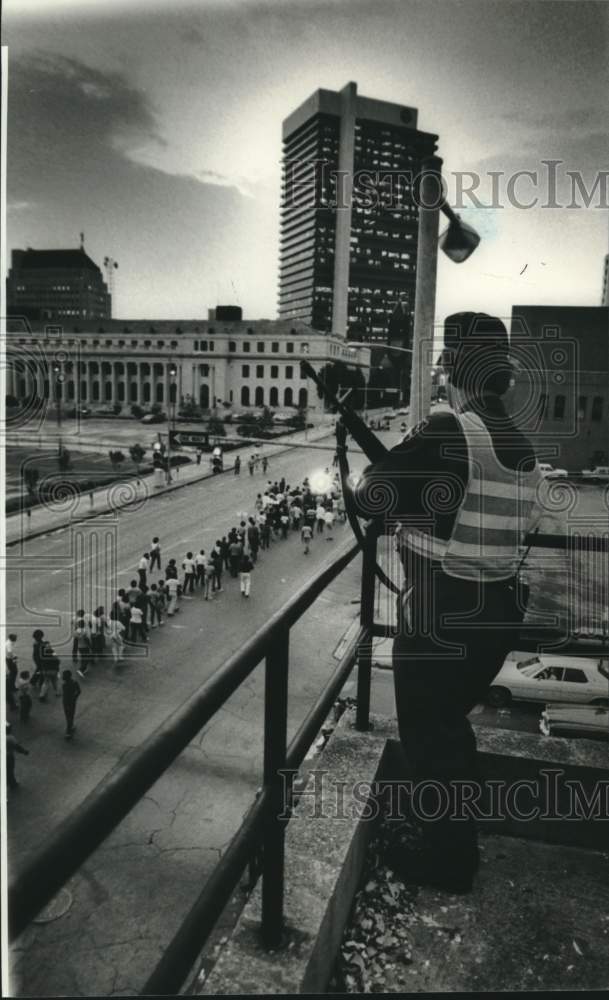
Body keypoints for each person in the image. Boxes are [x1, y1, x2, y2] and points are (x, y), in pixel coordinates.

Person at [354, 312, 545, 894]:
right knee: (449, 733)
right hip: (496, 616)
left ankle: (449, 862)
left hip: (443, 620)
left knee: (432, 739)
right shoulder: (523, 447)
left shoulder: (451, 429)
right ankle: (452, 843)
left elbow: (370, 498)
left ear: (456, 370)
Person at [6, 722, 29, 789]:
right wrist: (24, 752)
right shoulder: (10, 738)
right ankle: (11, 783)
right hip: (8, 757)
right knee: (10, 770)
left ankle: (11, 782)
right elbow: (17, 747)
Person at [61, 669, 81, 740]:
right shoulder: (74, 682)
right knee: (71, 714)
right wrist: (75, 698)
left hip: (66, 702)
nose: (62, 676)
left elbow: (65, 695)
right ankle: (71, 726)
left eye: (63, 675)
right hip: (72, 702)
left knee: (68, 716)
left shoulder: (64, 685)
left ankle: (68, 732)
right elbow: (79, 691)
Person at [6, 633, 18, 711]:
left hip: (8, 659)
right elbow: (10, 652)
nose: (16, 638)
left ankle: (12, 685)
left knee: (14, 672)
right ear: (12, 638)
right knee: (14, 672)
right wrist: (14, 658)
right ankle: (12, 685)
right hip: (9, 659)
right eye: (15, 637)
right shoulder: (9, 644)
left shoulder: (9, 642)